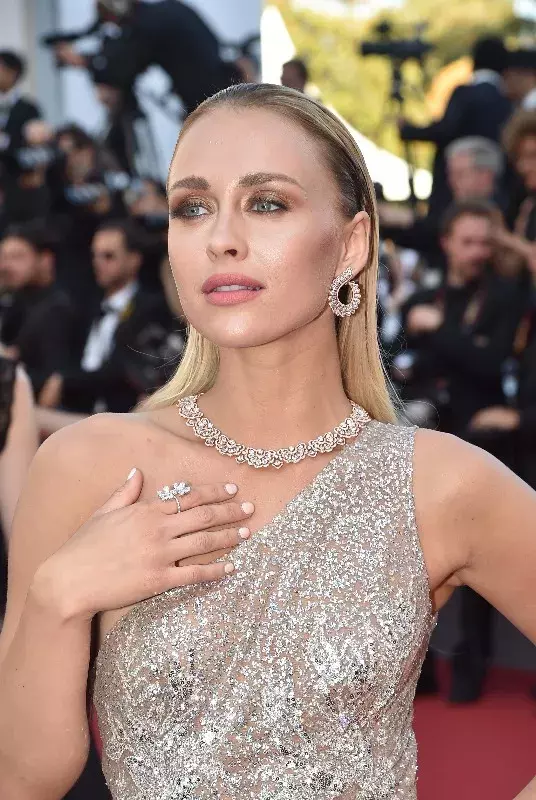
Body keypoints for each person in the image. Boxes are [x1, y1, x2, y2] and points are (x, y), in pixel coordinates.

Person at [0, 83, 535, 799]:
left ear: (351, 244)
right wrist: (58, 596)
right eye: (192, 207)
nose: (220, 237)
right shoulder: (86, 465)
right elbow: (20, 780)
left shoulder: (438, 483)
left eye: (268, 203)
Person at [39, 218, 183, 415]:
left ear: (134, 260)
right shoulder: (84, 304)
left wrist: (65, 380)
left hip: (121, 412)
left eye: (108, 256)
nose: (98, 263)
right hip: (76, 408)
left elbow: (123, 369)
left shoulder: (151, 308)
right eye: (94, 256)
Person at [52, 0, 240, 117]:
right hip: (223, 96)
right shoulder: (166, 11)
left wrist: (83, 61)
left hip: (211, 106)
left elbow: (119, 69)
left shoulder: (146, 26)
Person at [399, 36, 511, 220]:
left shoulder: (464, 93)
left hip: (450, 197)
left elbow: (444, 129)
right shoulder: (508, 101)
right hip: (497, 191)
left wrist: (409, 131)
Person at [379, 136, 504, 258]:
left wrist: (409, 219)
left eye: (460, 174)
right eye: (451, 175)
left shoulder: (502, 214)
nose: (452, 181)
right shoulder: (453, 206)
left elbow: (434, 234)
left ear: (485, 176)